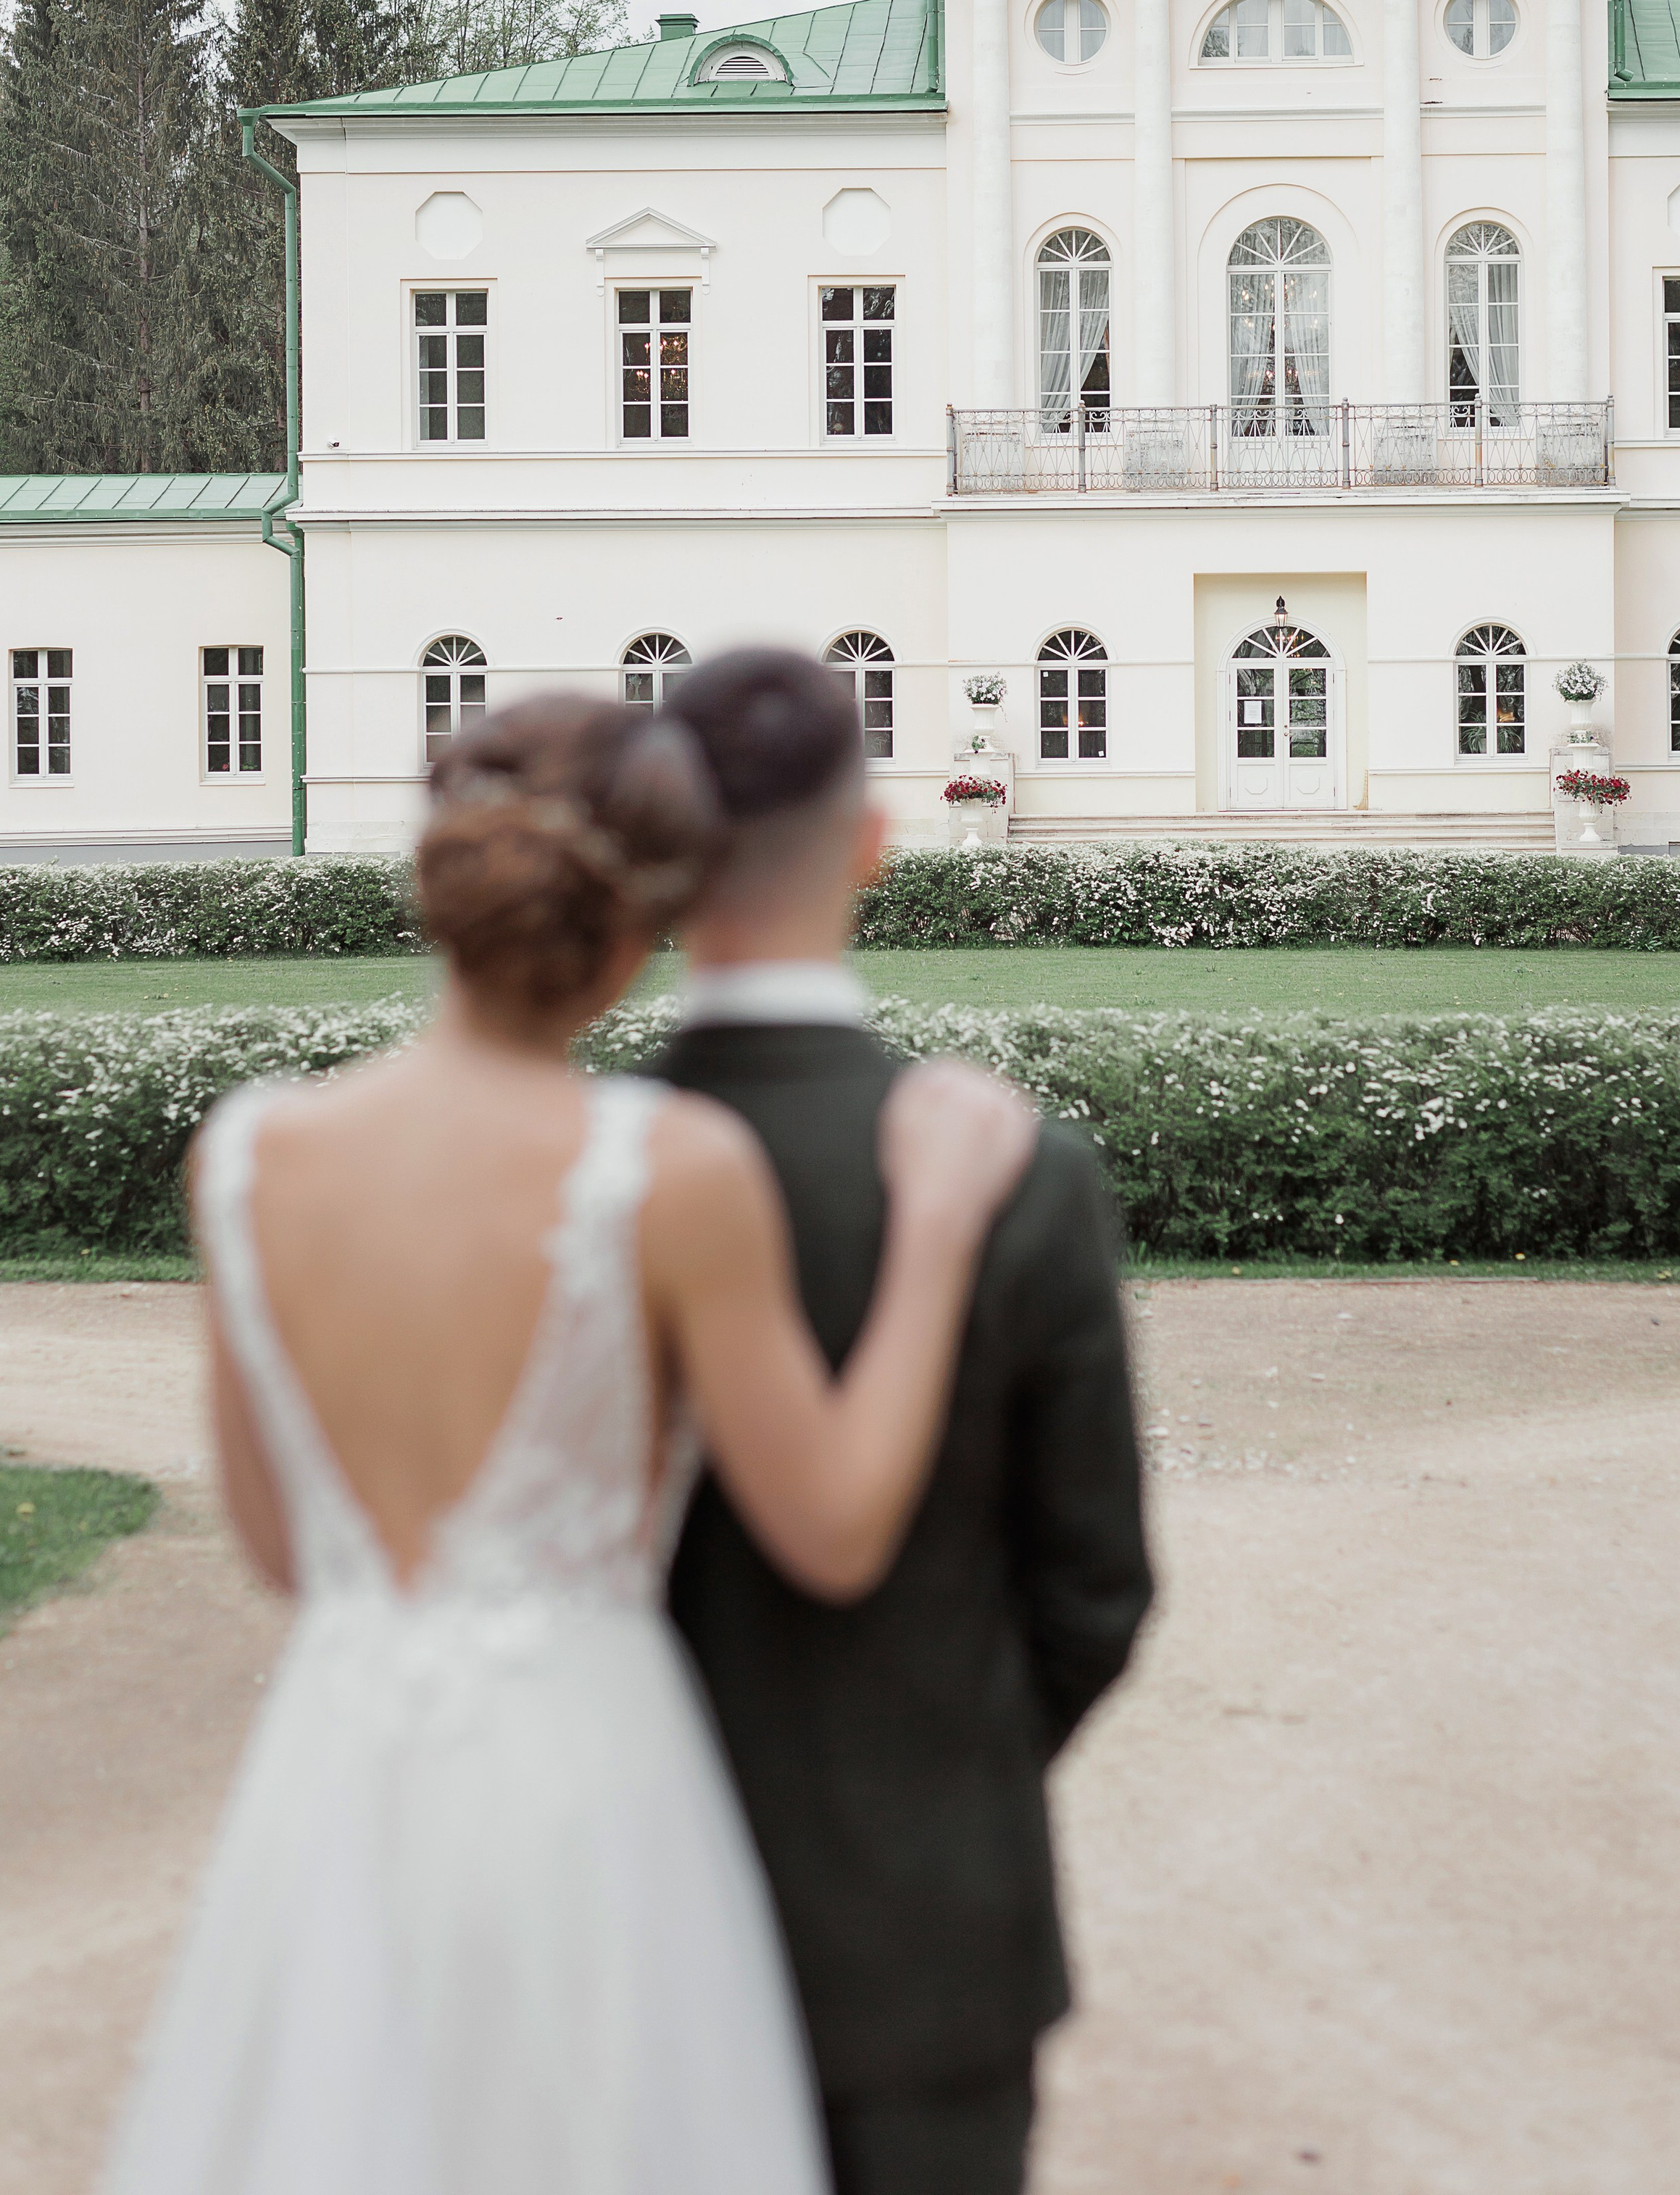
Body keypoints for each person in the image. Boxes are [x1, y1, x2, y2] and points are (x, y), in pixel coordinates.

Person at [104, 691, 1038, 2195]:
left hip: (335, 1771)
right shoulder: (667, 1169)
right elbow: (835, 1525)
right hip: (585, 1778)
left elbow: (283, 1553)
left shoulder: (249, 1156)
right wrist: (933, 1229)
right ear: (640, 924)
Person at [661, 648, 1152, 2195]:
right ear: (870, 844)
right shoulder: (1020, 1171)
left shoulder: (576, 1166)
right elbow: (1094, 1592)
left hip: (624, 1925)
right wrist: (945, 1760)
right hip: (928, 1929)